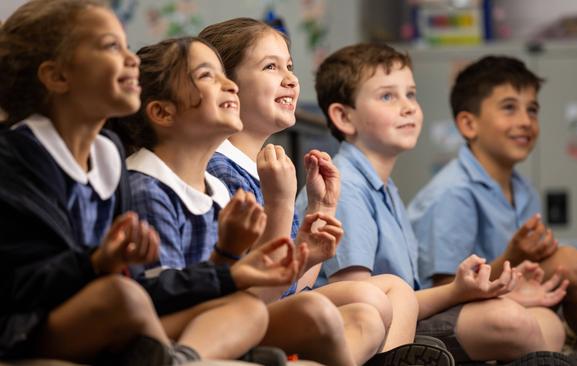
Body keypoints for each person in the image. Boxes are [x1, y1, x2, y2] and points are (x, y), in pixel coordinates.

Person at [0, 2, 293, 364]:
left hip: (116, 309)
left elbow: (145, 284)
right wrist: (95, 263)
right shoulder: (16, 158)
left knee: (246, 309)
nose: (132, 59)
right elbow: (22, 287)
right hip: (30, 330)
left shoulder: (107, 156)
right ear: (57, 76)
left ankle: (179, 356)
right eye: (110, 46)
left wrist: (226, 269)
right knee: (120, 296)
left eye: (126, 46)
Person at [113, 35, 381, 366]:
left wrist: (306, 254)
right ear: (162, 112)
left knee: (361, 317)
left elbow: (245, 286)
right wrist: (280, 204)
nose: (231, 87)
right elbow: (167, 298)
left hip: (224, 315)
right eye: (208, 75)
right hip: (168, 329)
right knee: (300, 310)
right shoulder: (147, 188)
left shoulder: (216, 190)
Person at [298, 43, 571, 364]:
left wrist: (499, 289)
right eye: (388, 96)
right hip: (369, 325)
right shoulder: (344, 185)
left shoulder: (387, 188)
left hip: (407, 312)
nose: (408, 107)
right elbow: (364, 305)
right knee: (512, 322)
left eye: (411, 94)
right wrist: (457, 291)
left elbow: (410, 294)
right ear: (344, 117)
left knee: (549, 324)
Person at [199, 18, 450, 366]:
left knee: (394, 290)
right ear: (227, 86)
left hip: (271, 303)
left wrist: (322, 206)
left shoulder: (264, 168)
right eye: (271, 67)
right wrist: (283, 201)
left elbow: (295, 282)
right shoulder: (220, 171)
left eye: (289, 66)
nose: (290, 78)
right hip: (242, 315)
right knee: (372, 298)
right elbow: (264, 290)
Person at [408, 55, 577, 364]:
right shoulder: (451, 193)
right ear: (468, 124)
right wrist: (514, 257)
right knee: (571, 262)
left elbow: (538, 269)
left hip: (531, 295)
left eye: (532, 110)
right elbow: (446, 292)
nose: (525, 121)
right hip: (484, 311)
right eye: (509, 107)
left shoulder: (522, 189)